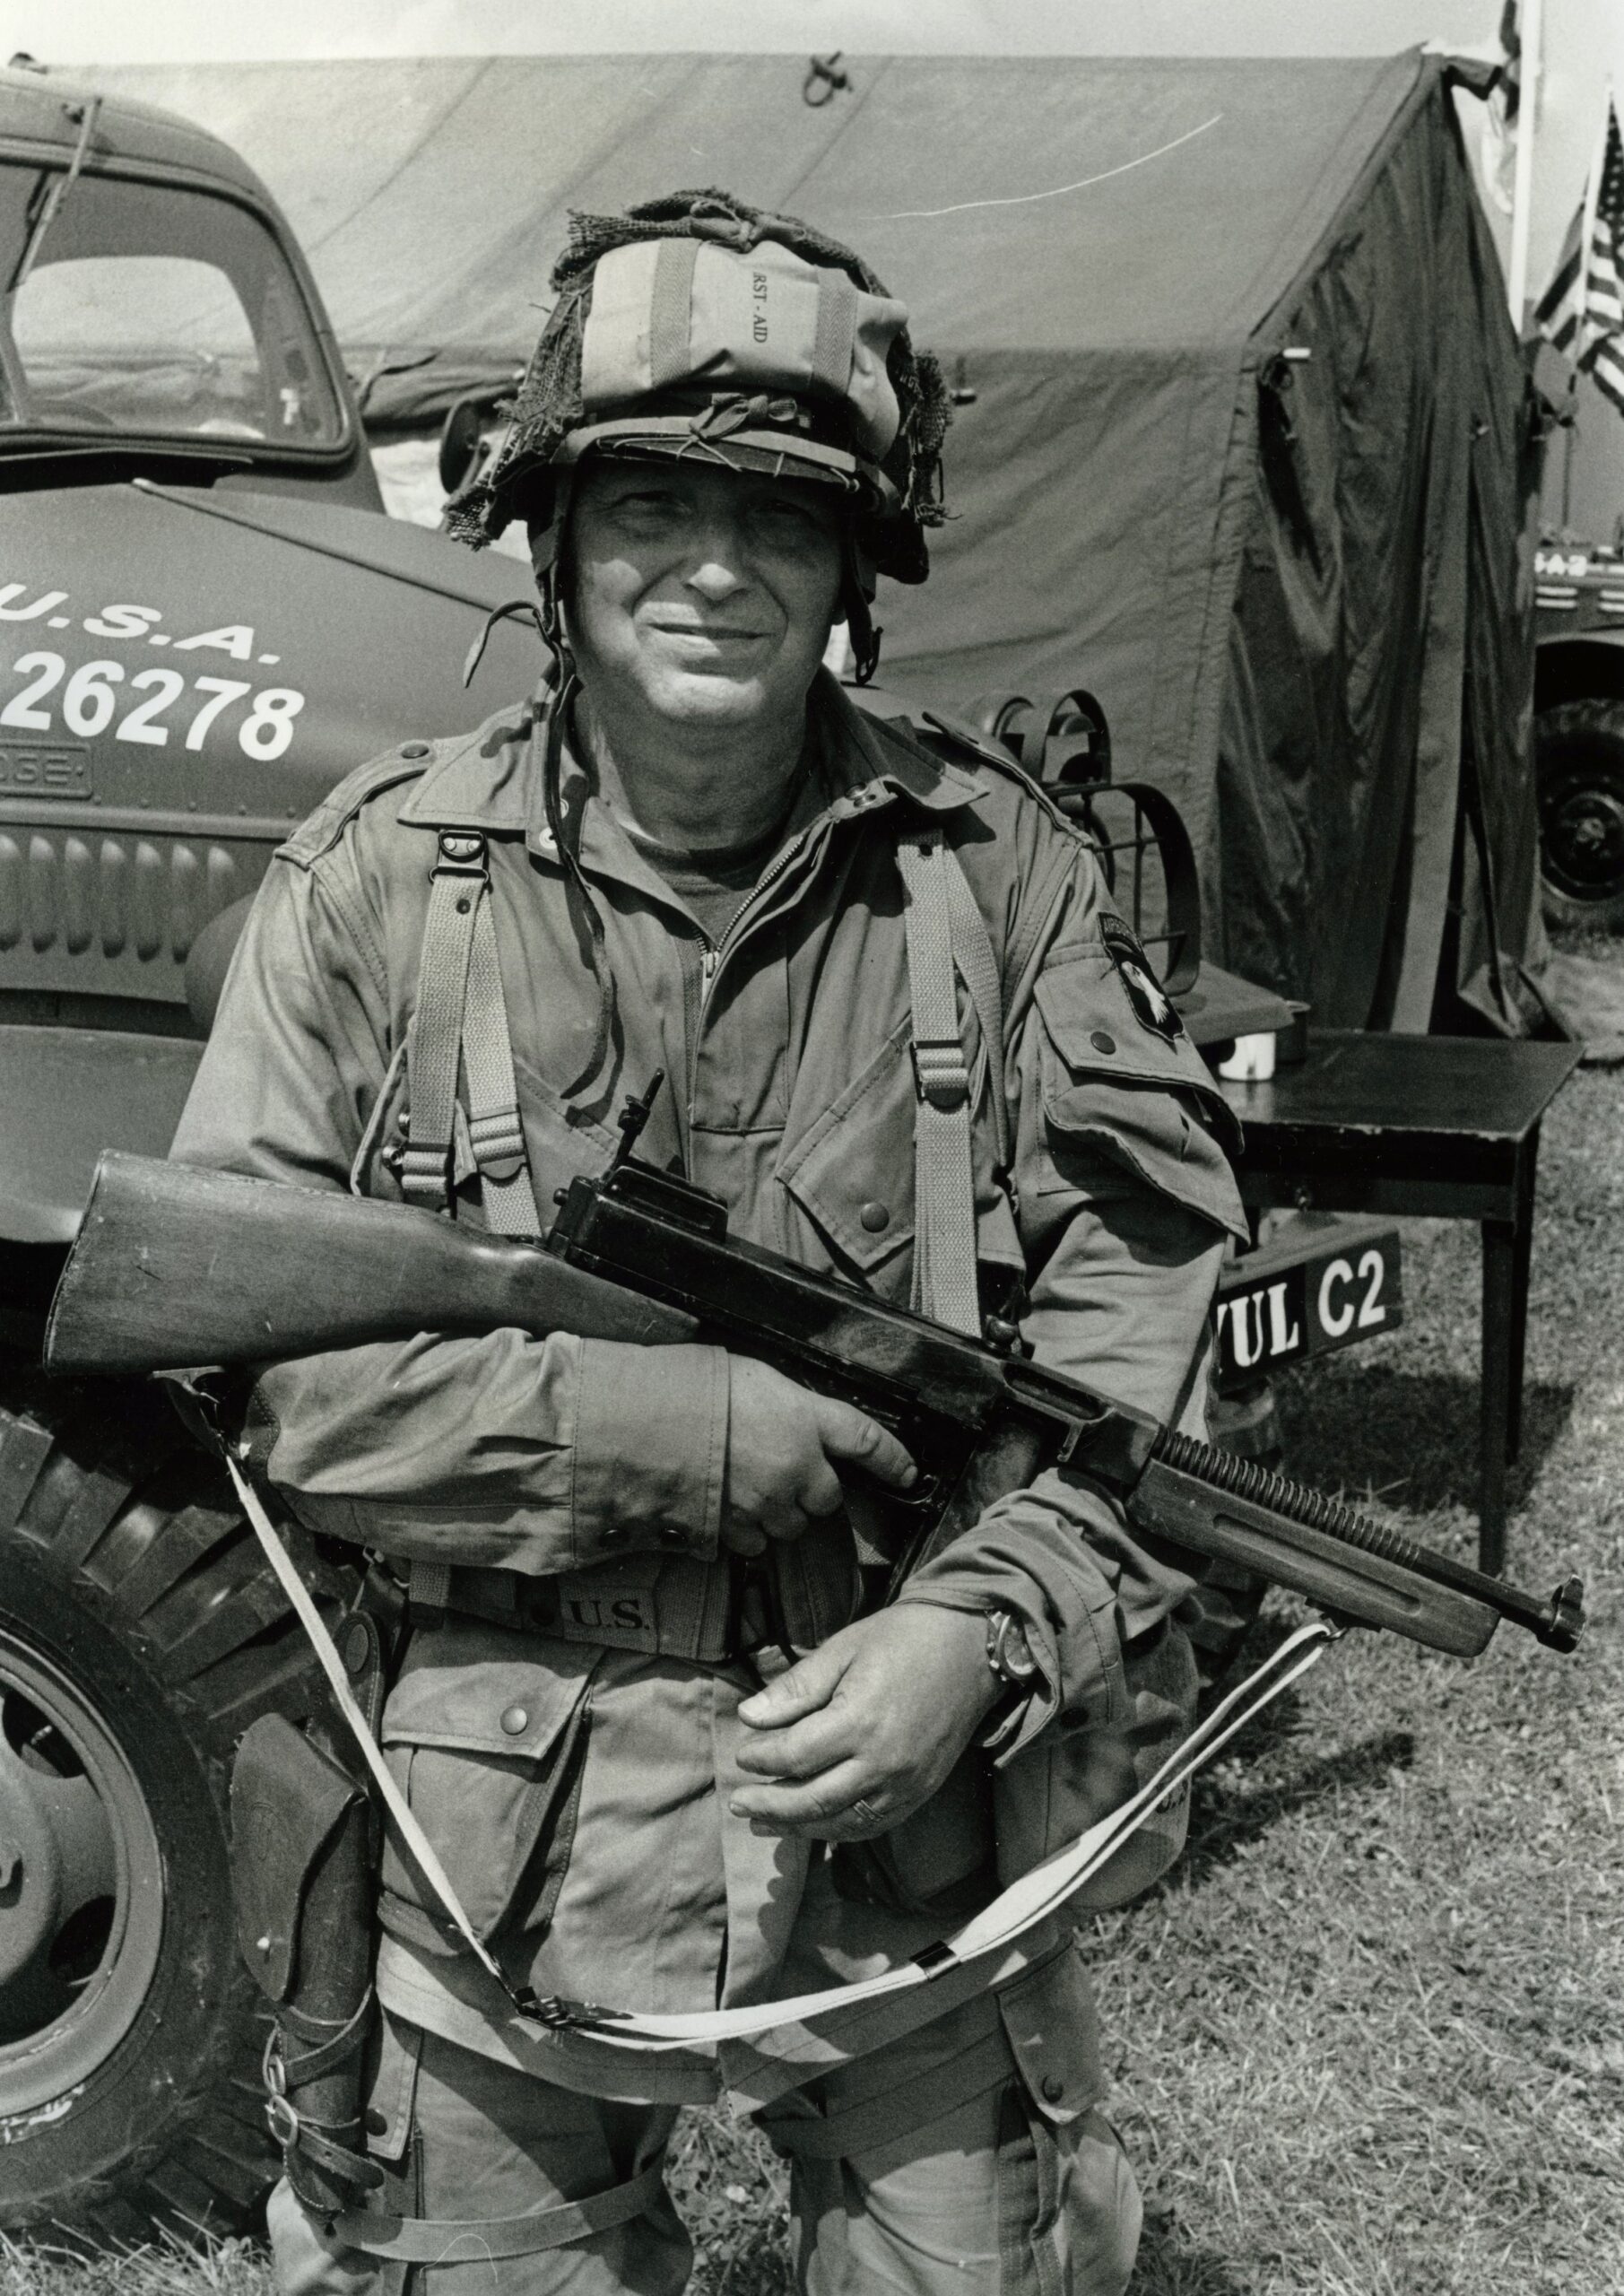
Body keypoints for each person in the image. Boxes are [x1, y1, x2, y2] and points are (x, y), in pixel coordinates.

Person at [171, 189, 1246, 2295]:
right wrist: (706, 1432)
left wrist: (986, 1633)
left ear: (858, 571)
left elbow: (1136, 1324)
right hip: (495, 1819)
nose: (719, 565)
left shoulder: (993, 883)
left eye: (785, 515)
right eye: (652, 499)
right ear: (557, 540)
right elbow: (276, 1363)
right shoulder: (379, 889)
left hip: (916, 1818)